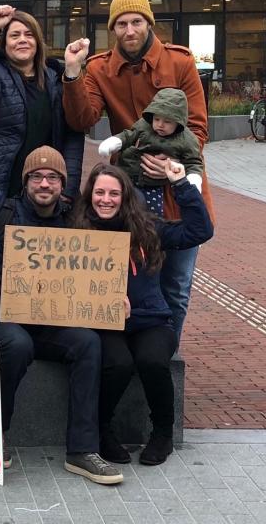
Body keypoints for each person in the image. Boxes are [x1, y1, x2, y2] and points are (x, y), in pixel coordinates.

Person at [0, 117, 123, 486]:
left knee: (87, 342)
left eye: (52, 177)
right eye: (36, 177)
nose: (44, 183)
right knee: (15, 344)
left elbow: (102, 261)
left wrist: (117, 296)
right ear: (25, 182)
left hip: (49, 319)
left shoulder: (75, 221)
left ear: (62, 185)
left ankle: (83, 450)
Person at [63, 0, 215, 341]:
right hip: (129, 192)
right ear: (112, 29)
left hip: (177, 190)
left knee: (175, 286)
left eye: (136, 22)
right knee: (126, 282)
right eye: (121, 24)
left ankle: (165, 359)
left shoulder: (180, 62)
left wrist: (169, 161)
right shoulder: (100, 68)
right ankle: (130, 359)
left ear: (149, 23)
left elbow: (197, 126)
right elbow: (82, 117)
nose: (129, 31)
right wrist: (73, 73)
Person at [70, 161, 213, 465]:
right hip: (103, 323)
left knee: (152, 359)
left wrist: (180, 185)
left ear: (125, 197)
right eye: (99, 192)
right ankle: (102, 430)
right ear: (89, 195)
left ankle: (163, 433)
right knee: (117, 364)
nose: (105, 199)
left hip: (150, 319)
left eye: (113, 193)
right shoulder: (76, 230)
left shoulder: (147, 228)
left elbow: (200, 230)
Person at [0, 5, 84, 200]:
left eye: (29, 35)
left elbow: (72, 135)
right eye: (15, 35)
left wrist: (68, 190)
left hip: (46, 190)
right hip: (0, 189)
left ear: (37, 42)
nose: (22, 39)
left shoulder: (55, 79)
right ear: (4, 43)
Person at [97, 88, 205, 215]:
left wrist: (193, 180)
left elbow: (193, 162)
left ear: (178, 122)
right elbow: (129, 136)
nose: (160, 125)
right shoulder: (144, 125)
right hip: (127, 173)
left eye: (167, 121)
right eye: (157, 119)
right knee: (120, 207)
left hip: (153, 184)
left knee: (151, 213)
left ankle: (148, 232)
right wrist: (114, 142)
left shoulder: (187, 140)